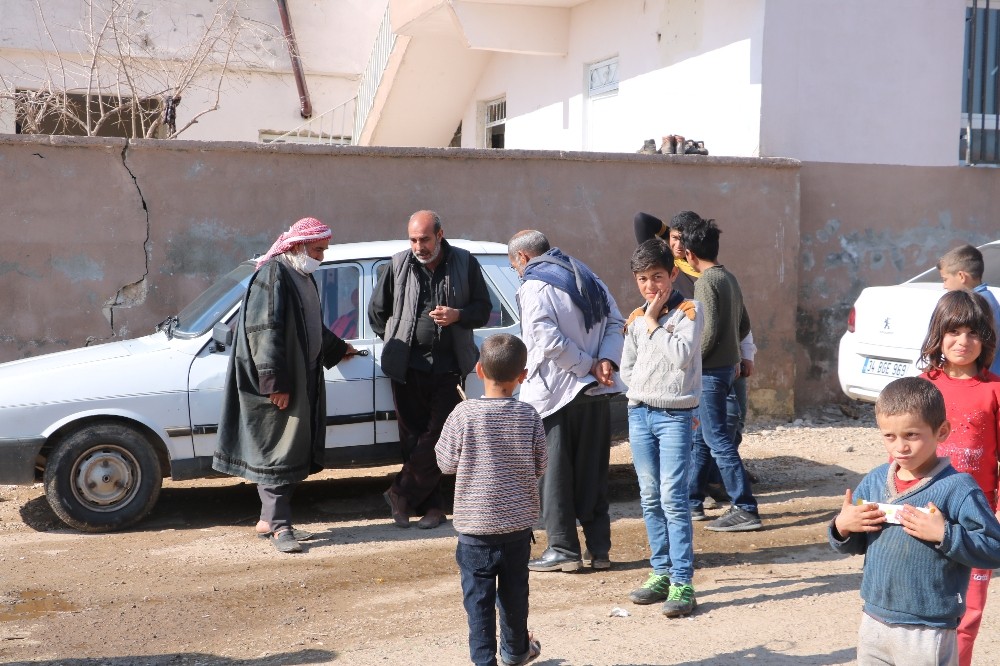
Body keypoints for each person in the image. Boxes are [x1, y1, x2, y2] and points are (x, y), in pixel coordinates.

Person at [829, 376, 1000, 666]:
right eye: (889, 436)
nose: (900, 447)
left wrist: (945, 534)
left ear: (941, 431)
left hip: (928, 629)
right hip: (874, 620)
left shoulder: (958, 488)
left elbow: (994, 548)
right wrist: (842, 527)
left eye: (912, 435)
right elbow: (855, 543)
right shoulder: (874, 482)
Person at [213, 217, 356, 553]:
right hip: (279, 382)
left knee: (291, 449)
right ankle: (280, 527)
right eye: (318, 249)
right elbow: (265, 332)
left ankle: (268, 519)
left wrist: (338, 348)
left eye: (323, 250)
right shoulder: (274, 274)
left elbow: (311, 323)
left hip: (301, 378)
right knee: (277, 452)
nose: (321, 256)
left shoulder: (301, 275)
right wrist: (274, 383)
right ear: (297, 246)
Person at [507, 230, 626, 572]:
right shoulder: (589, 277)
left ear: (524, 258)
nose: (518, 272)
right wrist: (605, 361)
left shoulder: (534, 285)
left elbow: (546, 339)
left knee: (554, 475)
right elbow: (616, 323)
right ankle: (599, 551)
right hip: (596, 391)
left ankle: (563, 549)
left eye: (515, 265)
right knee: (592, 473)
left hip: (556, 395)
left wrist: (588, 365)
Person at [368, 210, 493, 529]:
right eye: (413, 239)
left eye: (424, 239)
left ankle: (400, 494)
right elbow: (377, 313)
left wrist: (458, 316)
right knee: (413, 439)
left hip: (450, 366)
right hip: (406, 368)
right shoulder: (397, 264)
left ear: (440, 234)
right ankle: (434, 508)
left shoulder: (465, 262)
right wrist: (398, 339)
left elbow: (483, 310)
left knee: (439, 437)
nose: (418, 246)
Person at [435, 334, 547, 666]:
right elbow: (540, 465)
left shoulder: (462, 414)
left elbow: (444, 463)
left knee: (478, 603)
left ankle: (484, 661)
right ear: (522, 375)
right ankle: (515, 652)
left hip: (475, 532)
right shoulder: (529, 416)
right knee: (515, 598)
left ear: (479, 370)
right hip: (516, 530)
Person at [634, 210, 758, 497]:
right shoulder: (670, 269)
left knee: (726, 426)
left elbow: (731, 322)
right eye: (672, 238)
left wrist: (743, 353)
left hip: (716, 362)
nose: (675, 244)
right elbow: (642, 220)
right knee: (706, 434)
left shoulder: (704, 277)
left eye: (681, 239)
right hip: (700, 362)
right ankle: (702, 493)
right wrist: (669, 231)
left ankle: (724, 486)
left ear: (691, 249)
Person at [620, 238, 704, 617]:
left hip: (674, 417)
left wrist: (655, 323)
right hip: (640, 414)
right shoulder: (636, 319)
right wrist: (638, 391)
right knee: (649, 496)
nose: (650, 286)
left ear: (673, 273)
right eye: (642, 279)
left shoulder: (688, 311)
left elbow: (682, 356)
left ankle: (683, 582)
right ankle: (660, 573)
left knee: (673, 498)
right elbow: (628, 366)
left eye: (658, 276)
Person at [917, 289, 1000, 666]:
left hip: (975, 524)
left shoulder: (995, 392)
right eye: (953, 332)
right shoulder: (922, 388)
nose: (962, 342)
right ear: (938, 335)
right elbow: (900, 455)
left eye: (973, 333)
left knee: (967, 617)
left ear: (986, 339)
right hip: (923, 515)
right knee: (922, 610)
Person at [681, 214, 761, 532]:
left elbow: (709, 330)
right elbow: (743, 323)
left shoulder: (705, 282)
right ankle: (691, 501)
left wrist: (688, 361)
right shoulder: (728, 277)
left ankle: (745, 507)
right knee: (704, 440)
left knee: (718, 443)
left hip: (712, 374)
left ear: (689, 255)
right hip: (728, 370)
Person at [937, 243, 1000, 376]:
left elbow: (988, 350)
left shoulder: (979, 304)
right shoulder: (986, 299)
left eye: (945, 279)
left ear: (961, 276)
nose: (944, 286)